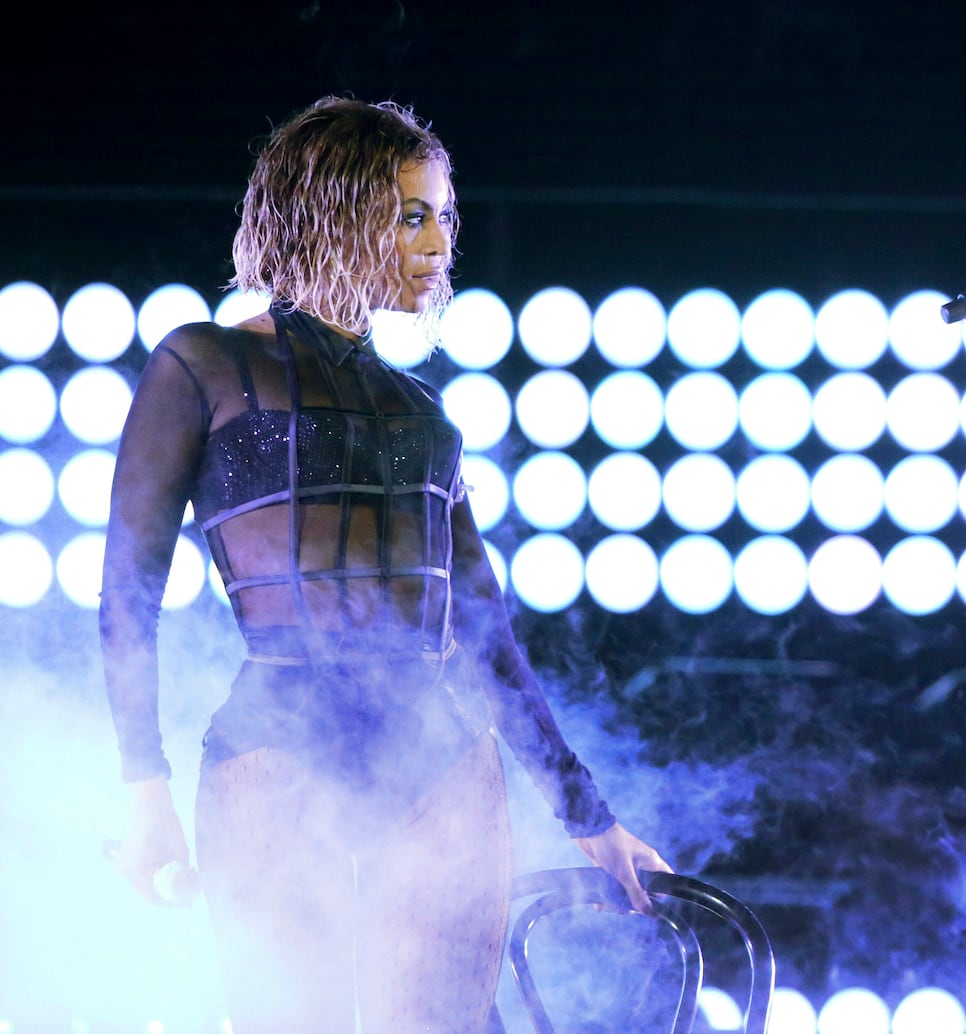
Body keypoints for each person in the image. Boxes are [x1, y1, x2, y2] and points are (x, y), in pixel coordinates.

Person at [99, 95, 672, 1032]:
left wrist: (590, 820)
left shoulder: (423, 414)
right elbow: (128, 594)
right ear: (333, 212)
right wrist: (143, 791)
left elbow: (486, 642)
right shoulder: (201, 364)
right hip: (273, 750)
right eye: (413, 215)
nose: (440, 239)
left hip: (439, 764)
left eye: (445, 214)